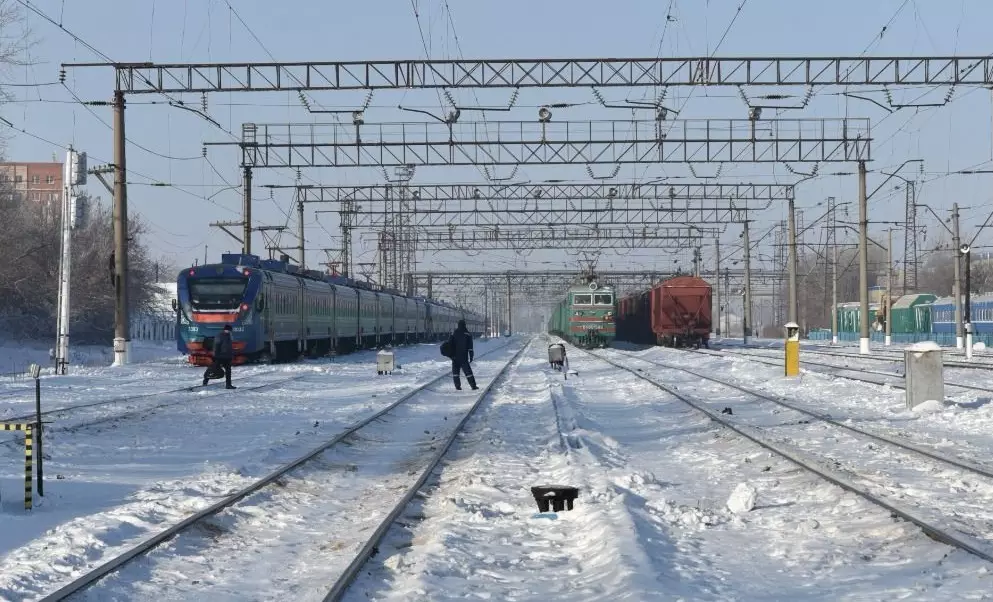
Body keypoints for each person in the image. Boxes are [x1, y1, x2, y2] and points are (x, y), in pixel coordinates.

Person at [204, 324, 236, 389]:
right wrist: (215, 355)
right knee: (213, 368)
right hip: (220, 356)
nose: (230, 332)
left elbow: (229, 347)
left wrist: (231, 355)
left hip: (227, 357)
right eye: (229, 330)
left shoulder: (229, 336)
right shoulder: (220, 336)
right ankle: (205, 380)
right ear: (225, 330)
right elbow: (216, 346)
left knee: (228, 371)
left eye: (230, 331)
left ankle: (228, 385)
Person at [448, 319, 477, 391]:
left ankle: (457, 386)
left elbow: (449, 344)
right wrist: (471, 356)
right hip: (463, 357)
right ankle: (473, 386)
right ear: (465, 325)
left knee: (455, 372)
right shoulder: (467, 333)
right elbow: (470, 347)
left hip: (454, 357)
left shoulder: (454, 333)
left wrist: (450, 355)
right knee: (468, 372)